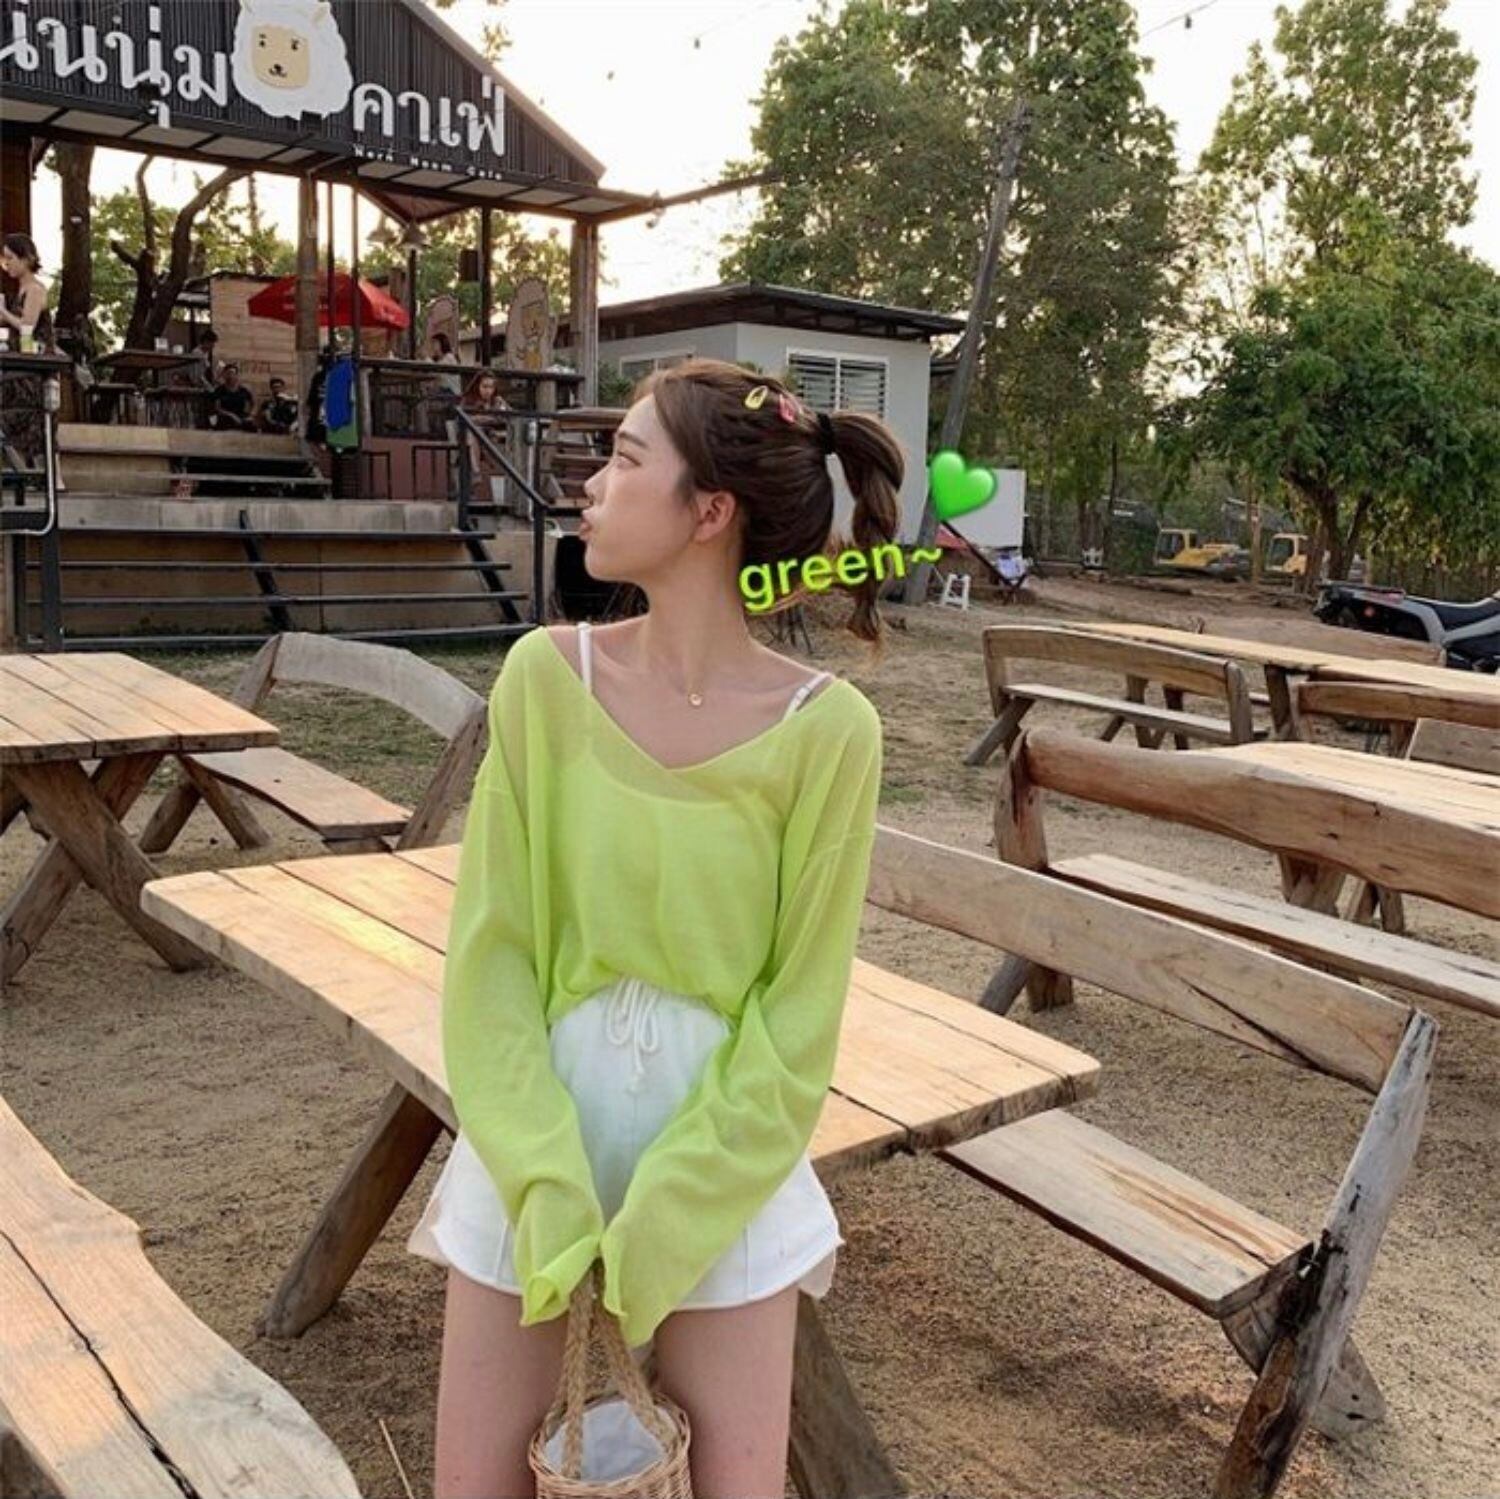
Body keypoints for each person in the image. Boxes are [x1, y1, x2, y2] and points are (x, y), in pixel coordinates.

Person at [406, 358, 902, 1498]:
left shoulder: (831, 732)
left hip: (725, 1166)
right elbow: (493, 957)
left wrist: (670, 1218)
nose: (590, 483)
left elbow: (798, 1016)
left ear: (709, 512)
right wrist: (544, 1181)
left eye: (626, 459)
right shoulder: (543, 679)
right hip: (539, 1142)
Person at [1, 233, 53, 461]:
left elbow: (27, 327)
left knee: (34, 420)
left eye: (11, 258)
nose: (7, 264)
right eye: (5, 259)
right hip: (18, 363)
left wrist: (3, 313)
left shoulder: (35, 289)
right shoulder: (20, 292)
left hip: (34, 366)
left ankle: (47, 471)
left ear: (26, 259)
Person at [207, 364, 256, 431]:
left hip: (240, 416)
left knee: (251, 425)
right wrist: (231, 415)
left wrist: (251, 415)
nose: (230, 376)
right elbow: (217, 408)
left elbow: (254, 403)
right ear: (224, 375)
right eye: (228, 373)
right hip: (225, 417)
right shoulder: (219, 390)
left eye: (232, 373)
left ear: (236, 375)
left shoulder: (243, 390)